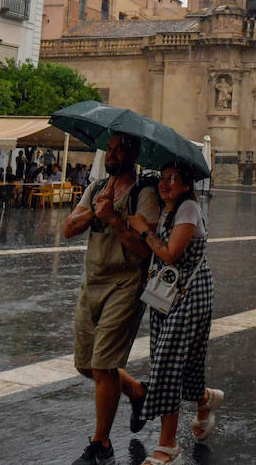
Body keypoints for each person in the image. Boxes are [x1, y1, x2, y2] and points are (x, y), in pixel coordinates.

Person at [64, 132, 163, 465]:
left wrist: (113, 219)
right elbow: (68, 228)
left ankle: (101, 445)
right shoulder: (95, 189)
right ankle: (137, 391)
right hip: (92, 283)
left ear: (133, 154)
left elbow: (142, 250)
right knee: (85, 364)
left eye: (120, 150)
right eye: (110, 148)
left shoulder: (144, 194)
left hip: (125, 285)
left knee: (104, 365)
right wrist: (95, 212)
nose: (112, 154)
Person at [125, 161, 223, 462]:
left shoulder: (189, 209)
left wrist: (143, 230)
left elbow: (170, 253)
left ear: (186, 185)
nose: (165, 184)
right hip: (167, 294)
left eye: (174, 179)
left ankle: (167, 446)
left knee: (167, 362)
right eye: (163, 178)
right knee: (185, 363)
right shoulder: (167, 208)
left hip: (190, 295)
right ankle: (205, 398)